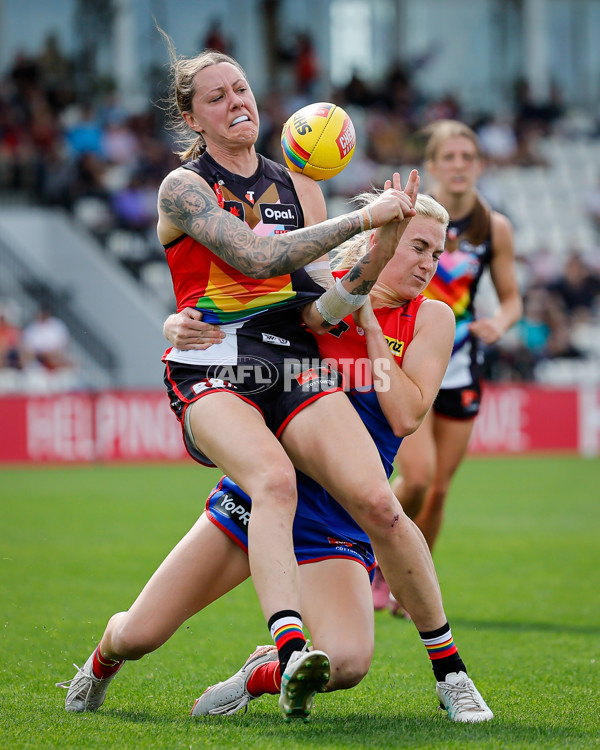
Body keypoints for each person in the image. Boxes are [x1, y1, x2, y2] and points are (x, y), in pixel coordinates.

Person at [57, 40, 443, 722]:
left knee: (361, 502)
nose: (236, 103)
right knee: (146, 625)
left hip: (289, 363)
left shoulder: (299, 184)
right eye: (216, 97)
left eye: (241, 90)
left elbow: (325, 307)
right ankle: (103, 660)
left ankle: (296, 653)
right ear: (193, 119)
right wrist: (361, 220)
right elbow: (257, 256)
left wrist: (379, 247)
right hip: (214, 367)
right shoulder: (184, 187)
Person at [373, 119, 522, 615]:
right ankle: (374, 561)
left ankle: (409, 589)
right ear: (432, 166)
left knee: (438, 490)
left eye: (468, 157)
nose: (459, 166)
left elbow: (511, 300)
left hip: (460, 365)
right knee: (416, 478)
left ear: (480, 165)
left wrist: (499, 323)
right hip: (410, 355)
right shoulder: (417, 216)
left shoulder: (492, 226)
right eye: (449, 157)